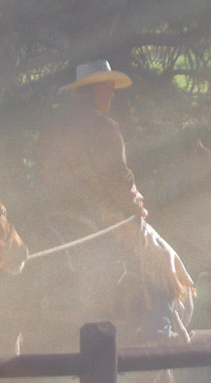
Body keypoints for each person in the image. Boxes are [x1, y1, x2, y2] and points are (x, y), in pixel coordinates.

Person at [35, 60, 195, 344]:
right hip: (101, 216)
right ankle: (158, 330)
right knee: (160, 258)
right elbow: (118, 179)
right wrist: (138, 208)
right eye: (109, 89)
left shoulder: (50, 126)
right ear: (97, 89)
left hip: (58, 213)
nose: (113, 95)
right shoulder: (103, 126)